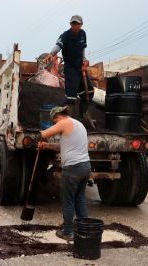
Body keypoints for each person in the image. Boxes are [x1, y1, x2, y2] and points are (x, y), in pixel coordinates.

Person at [38, 106, 91, 241]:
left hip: (73, 168)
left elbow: (43, 134)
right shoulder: (77, 124)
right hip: (85, 166)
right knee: (80, 198)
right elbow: (64, 146)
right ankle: (83, 228)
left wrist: (38, 136)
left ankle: (67, 231)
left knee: (68, 200)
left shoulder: (64, 122)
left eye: (54, 121)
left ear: (57, 117)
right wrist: (47, 146)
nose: (55, 124)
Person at [45, 15, 94, 120]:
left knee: (89, 92)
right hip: (70, 68)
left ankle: (84, 114)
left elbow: (82, 49)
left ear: (81, 24)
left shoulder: (83, 34)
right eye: (73, 23)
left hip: (80, 67)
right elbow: (58, 45)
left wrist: (84, 59)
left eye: (77, 23)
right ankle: (67, 119)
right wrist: (51, 53)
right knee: (71, 97)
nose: (75, 25)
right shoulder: (65, 35)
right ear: (70, 24)